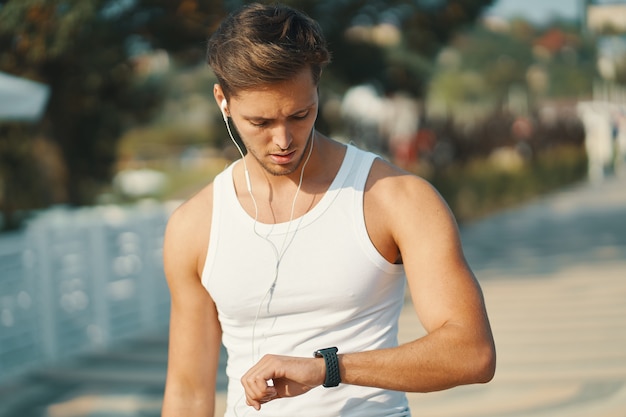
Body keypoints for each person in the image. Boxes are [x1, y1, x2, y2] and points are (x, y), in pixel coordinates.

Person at [161, 3, 495, 417]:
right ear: (223, 101)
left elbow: (471, 352)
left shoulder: (395, 198)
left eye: (300, 115)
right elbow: (188, 392)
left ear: (318, 89)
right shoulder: (194, 225)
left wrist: (327, 369)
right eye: (261, 123)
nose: (283, 140)